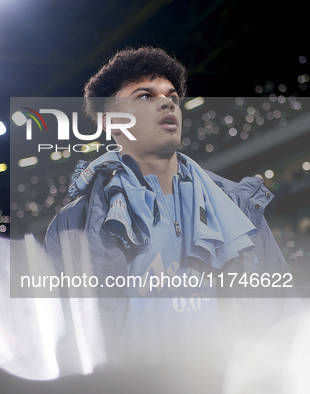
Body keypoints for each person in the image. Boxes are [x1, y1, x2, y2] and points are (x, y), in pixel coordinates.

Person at [42, 46, 301, 366]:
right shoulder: (73, 224)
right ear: (110, 122)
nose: (166, 102)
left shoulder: (238, 206)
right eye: (145, 96)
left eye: (172, 96)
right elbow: (59, 335)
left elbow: (284, 308)